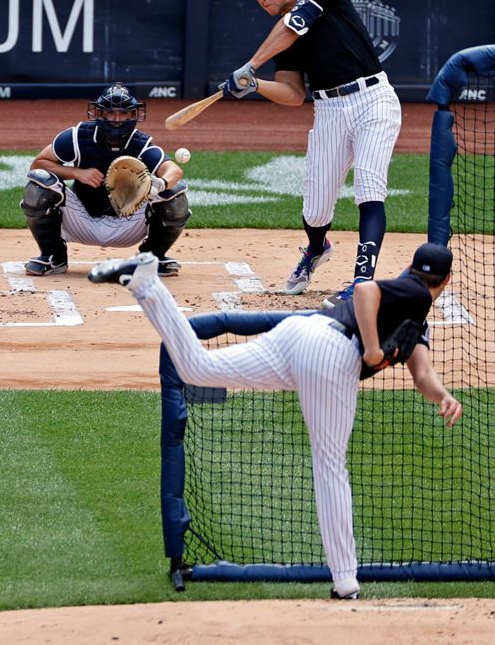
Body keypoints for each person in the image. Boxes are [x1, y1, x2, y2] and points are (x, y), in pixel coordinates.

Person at [88, 242, 463, 600]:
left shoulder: (413, 313)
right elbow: (366, 290)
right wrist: (371, 348)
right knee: (330, 465)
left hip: (299, 334)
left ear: (411, 266)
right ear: (445, 281)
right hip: (331, 353)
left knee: (196, 368)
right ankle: (346, 580)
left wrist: (442, 396)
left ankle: (147, 284)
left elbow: (422, 373)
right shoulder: (416, 294)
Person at [224, 0, 403, 308]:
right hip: (329, 110)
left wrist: (251, 65)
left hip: (374, 99)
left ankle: (362, 283)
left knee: (369, 186)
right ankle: (317, 248)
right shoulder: (282, 39)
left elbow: (294, 25)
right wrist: (255, 85)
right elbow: (293, 94)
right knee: (316, 211)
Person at [21, 83, 189, 277]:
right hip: (81, 219)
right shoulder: (78, 137)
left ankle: (152, 258)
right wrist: (76, 173)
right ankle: (53, 256)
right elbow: (38, 163)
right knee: (40, 183)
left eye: (123, 113)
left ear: (133, 115)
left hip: (127, 223)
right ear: (100, 113)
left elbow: (173, 170)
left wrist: (160, 184)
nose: (116, 119)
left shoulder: (141, 144)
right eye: (110, 112)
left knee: (174, 193)